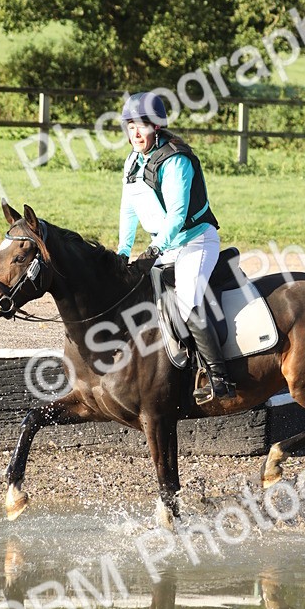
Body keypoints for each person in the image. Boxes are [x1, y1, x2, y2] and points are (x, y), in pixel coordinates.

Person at [117, 91, 236, 404]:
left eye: (141, 125)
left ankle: (219, 378)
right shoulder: (132, 161)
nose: (136, 132)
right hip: (166, 245)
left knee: (186, 301)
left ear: (156, 126)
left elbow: (177, 215)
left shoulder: (175, 160)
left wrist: (155, 249)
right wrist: (122, 250)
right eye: (131, 127)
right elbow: (128, 208)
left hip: (195, 241)